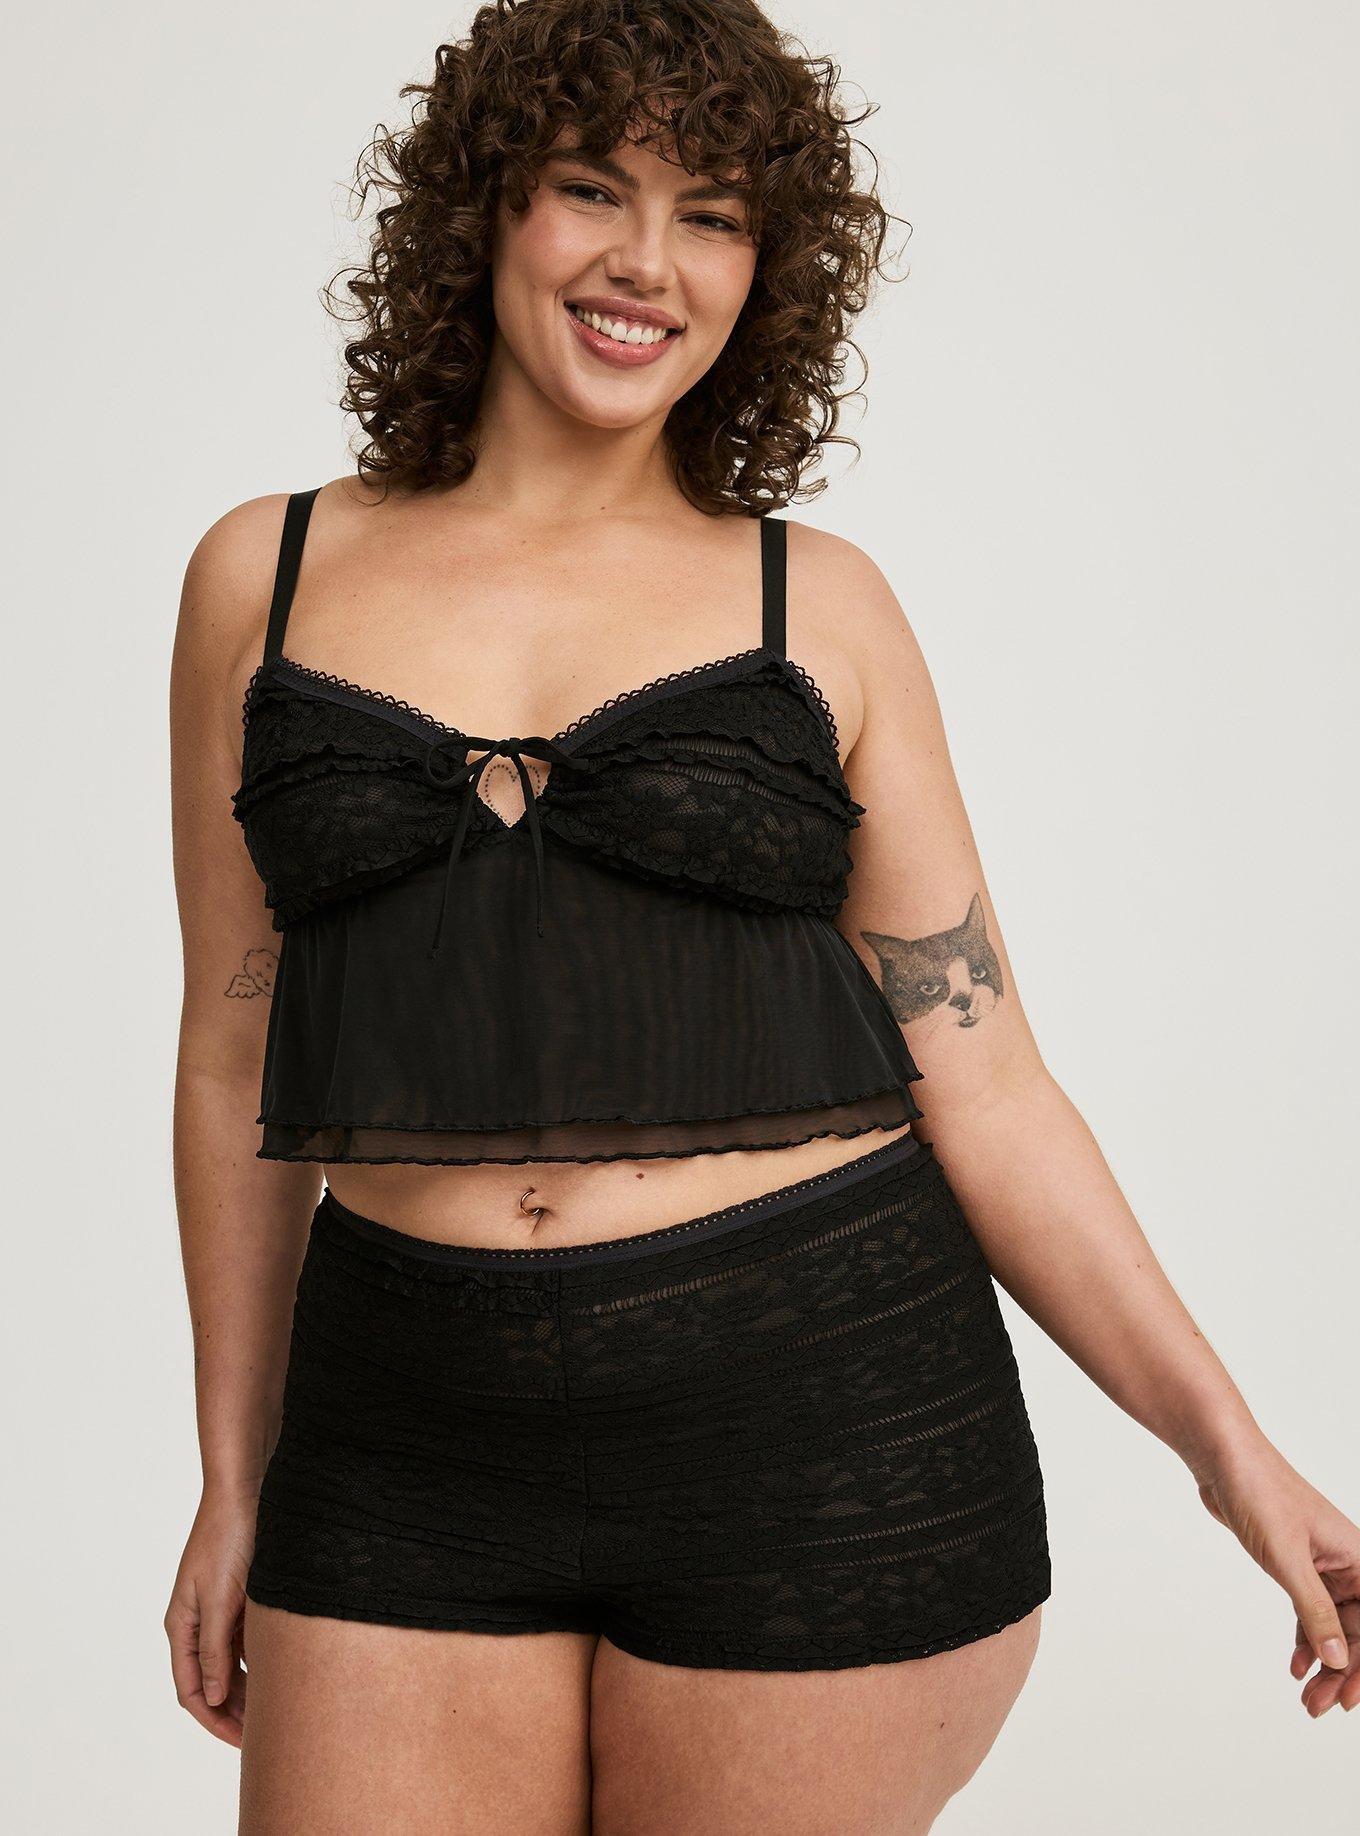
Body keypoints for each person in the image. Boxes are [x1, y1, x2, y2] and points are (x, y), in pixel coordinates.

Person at [164, 2, 1360, 1830]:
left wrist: (1232, 1457)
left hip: (817, 1423)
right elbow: (231, 1043)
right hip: (403, 1436)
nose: (648, 263)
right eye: (593, 188)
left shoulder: (824, 606)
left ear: (764, 273)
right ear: (486, 207)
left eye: (711, 215)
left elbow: (990, 1080)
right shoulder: (267, 572)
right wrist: (232, 1476)